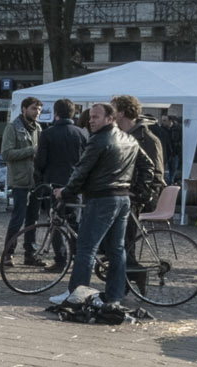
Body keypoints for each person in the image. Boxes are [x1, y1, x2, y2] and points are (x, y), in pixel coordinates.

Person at [52, 102, 138, 307]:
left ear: (110, 118)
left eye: (96, 117)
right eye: (90, 117)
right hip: (123, 197)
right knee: (117, 249)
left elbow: (81, 170)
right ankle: (114, 296)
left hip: (102, 198)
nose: (91, 120)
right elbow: (145, 166)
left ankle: (77, 295)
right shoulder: (130, 139)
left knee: (86, 248)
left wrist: (65, 192)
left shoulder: (99, 140)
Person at [34, 99, 89, 271]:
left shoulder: (48, 134)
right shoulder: (82, 134)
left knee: (56, 222)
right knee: (75, 223)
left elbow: (40, 161)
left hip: (55, 182)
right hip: (76, 184)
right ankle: (78, 257)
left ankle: (60, 259)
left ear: (56, 113)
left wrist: (40, 179)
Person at [110, 95, 165, 267]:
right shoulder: (118, 136)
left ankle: (132, 274)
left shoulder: (147, 139)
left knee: (125, 241)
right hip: (120, 193)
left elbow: (156, 173)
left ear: (122, 112)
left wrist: (138, 193)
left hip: (136, 196)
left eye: (113, 109)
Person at [0, 97, 43, 268]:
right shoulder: (13, 128)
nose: (37, 112)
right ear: (24, 109)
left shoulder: (38, 128)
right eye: (34, 108)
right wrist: (31, 150)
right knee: (18, 218)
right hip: (19, 180)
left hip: (35, 180)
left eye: (39, 109)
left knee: (33, 219)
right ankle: (8, 254)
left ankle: (30, 254)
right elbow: (7, 153)